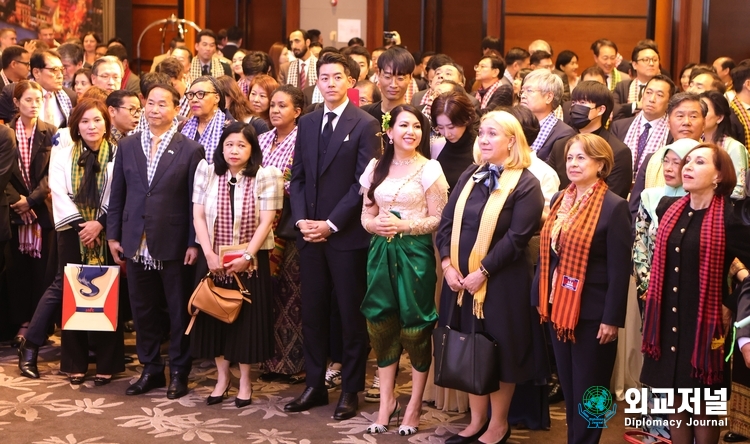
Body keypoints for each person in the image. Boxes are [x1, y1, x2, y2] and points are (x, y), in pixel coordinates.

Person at [438, 110, 546, 444]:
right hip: (459, 281)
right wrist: (447, 265)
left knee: (499, 352)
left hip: (502, 283)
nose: (484, 140)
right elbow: (445, 222)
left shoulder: (527, 183)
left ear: (512, 141)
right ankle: (476, 420)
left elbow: (517, 238)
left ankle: (498, 424)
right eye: (482, 133)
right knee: (470, 346)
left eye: (493, 134)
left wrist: (482, 272)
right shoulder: (471, 174)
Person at [284, 51, 379, 420]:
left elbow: (362, 183)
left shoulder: (365, 124)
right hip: (309, 234)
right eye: (324, 77)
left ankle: (351, 390)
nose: (330, 83)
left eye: (337, 77)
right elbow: (299, 176)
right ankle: (314, 385)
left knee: (349, 316)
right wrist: (303, 221)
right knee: (313, 312)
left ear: (350, 82)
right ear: (317, 82)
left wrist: (331, 224)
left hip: (346, 236)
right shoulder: (306, 123)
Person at [641, 143, 750, 444]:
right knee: (675, 398)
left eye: (698, 162)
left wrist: (730, 304)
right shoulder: (667, 207)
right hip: (666, 319)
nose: (687, 166)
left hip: (705, 322)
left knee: (703, 404)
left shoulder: (732, 218)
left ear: (718, 175)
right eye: (686, 161)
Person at [106, 82, 204, 399]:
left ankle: (178, 371)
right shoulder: (128, 145)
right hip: (135, 240)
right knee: (143, 309)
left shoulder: (190, 149)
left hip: (174, 242)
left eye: (163, 103)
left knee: (177, 310)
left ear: (176, 109)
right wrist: (113, 235)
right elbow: (118, 194)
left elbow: (195, 201)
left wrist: (193, 242)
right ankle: (150, 369)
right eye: (150, 103)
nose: (155, 109)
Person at [532, 133, 631, 444]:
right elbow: (549, 253)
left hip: (594, 312)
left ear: (600, 164)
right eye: (570, 158)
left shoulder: (614, 206)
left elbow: (619, 268)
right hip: (560, 305)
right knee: (571, 386)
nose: (573, 164)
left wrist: (612, 318)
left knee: (592, 390)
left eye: (581, 158)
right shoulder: (561, 198)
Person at [359, 104, 448, 435]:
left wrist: (405, 226)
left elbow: (439, 217)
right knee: (380, 322)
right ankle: (387, 402)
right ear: (390, 131)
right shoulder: (375, 168)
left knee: (415, 326)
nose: (411, 131)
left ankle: (414, 405)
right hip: (380, 253)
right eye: (404, 125)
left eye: (417, 126)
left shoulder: (430, 169)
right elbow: (366, 215)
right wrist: (375, 227)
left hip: (416, 254)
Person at [191, 122, 282, 407]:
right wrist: (207, 253)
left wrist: (246, 257)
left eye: (242, 145)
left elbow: (267, 221)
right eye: (229, 144)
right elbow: (198, 215)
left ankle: (244, 380)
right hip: (213, 259)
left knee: (246, 322)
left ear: (252, 149)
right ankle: (222, 378)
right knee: (214, 316)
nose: (234, 150)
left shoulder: (266, 176)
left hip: (250, 262)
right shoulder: (207, 171)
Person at [50, 98, 124, 384]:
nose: (91, 126)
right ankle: (74, 362)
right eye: (84, 121)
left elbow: (118, 194)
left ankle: (107, 362)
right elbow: (57, 191)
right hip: (72, 231)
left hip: (107, 230)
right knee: (73, 295)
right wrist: (83, 226)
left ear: (106, 123)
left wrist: (99, 224)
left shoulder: (118, 153)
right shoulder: (63, 154)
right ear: (76, 126)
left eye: (97, 120)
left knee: (108, 294)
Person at [258, 84, 305, 382]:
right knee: (267, 293)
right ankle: (269, 360)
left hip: (289, 224)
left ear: (297, 112)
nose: (275, 110)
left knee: (291, 293)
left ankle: (293, 364)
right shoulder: (261, 138)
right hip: (260, 223)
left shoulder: (304, 141)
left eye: (282, 106)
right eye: (273, 105)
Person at [6, 80, 56, 350]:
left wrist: (32, 200)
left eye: (38, 99)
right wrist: (19, 201)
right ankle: (22, 322)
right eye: (28, 99)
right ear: (16, 102)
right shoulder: (6, 132)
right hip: (14, 211)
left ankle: (41, 324)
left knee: (43, 271)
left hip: (42, 211)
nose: (35, 104)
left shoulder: (51, 132)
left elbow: (53, 173)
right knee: (18, 271)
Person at [633, 138, 699, 300]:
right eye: (666, 161)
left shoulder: (699, 202)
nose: (668, 168)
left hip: (688, 290)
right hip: (652, 288)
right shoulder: (650, 197)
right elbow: (640, 243)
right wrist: (647, 283)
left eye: (676, 163)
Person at [547, 81, 633, 199]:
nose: (575, 107)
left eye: (582, 103)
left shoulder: (618, 151)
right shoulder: (560, 145)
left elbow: (614, 199)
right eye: (574, 102)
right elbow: (550, 188)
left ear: (601, 109)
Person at [610, 74, 675, 178]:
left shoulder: (673, 133)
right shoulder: (619, 127)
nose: (652, 99)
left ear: (669, 102)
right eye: (648, 92)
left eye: (659, 95)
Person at [0, 49, 77, 127]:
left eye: (61, 70)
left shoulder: (69, 96)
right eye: (54, 70)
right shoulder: (14, 92)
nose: (60, 76)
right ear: (36, 72)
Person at [701, 90, 748, 199]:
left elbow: (739, 189)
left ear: (719, 117)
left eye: (705, 111)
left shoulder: (734, 147)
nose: (700, 115)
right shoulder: (696, 142)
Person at [519, 69, 575, 161]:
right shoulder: (516, 124)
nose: (523, 96)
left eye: (529, 90)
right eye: (522, 91)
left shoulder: (564, 135)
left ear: (549, 97)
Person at [431, 91, 477, 191]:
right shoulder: (437, 146)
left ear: (466, 119)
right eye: (440, 127)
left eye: (451, 127)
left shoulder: (480, 147)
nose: (447, 134)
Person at [180, 76, 232, 164]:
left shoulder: (230, 128)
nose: (194, 100)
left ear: (217, 98)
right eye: (191, 95)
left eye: (201, 94)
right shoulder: (183, 127)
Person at [612, 41, 661, 121]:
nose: (651, 63)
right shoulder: (622, 87)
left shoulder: (669, 88)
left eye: (655, 60)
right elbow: (614, 110)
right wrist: (636, 106)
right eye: (646, 60)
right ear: (634, 65)